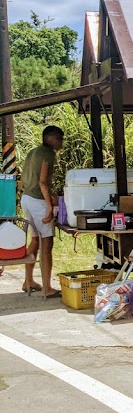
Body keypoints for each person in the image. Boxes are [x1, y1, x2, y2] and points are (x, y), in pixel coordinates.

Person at [21, 125, 63, 297]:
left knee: (35, 241)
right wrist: (49, 206)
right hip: (38, 201)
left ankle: (28, 280)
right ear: (51, 138)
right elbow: (43, 182)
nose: (61, 143)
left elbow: (23, 180)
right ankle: (47, 287)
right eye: (60, 139)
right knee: (47, 243)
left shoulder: (32, 152)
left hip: (26, 199)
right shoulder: (48, 154)